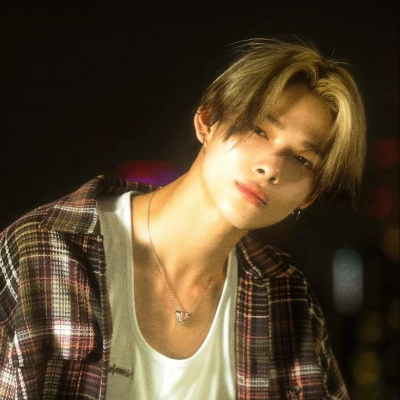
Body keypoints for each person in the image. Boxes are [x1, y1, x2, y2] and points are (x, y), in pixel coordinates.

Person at [0, 38, 366, 400]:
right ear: (208, 121)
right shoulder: (45, 251)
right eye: (259, 130)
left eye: (302, 160)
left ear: (310, 195)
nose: (271, 167)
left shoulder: (287, 302)